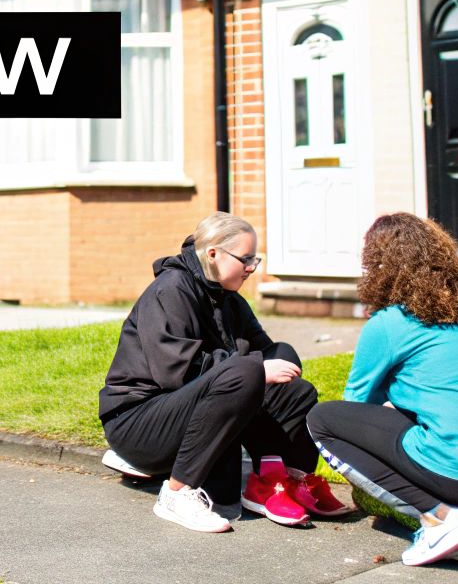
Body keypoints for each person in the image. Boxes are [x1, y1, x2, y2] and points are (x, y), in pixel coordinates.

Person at [307, 213, 458, 567]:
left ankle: (440, 519)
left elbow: (358, 406)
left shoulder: (390, 323)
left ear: (378, 265)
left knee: (325, 419)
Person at [100, 212, 350, 533]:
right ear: (214, 253)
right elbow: (175, 370)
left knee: (295, 392)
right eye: (245, 258)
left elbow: (265, 348)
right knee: (246, 373)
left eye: (254, 259)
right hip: (138, 423)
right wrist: (254, 369)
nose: (251, 267)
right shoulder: (170, 291)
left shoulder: (227, 299)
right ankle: (176, 494)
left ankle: (277, 481)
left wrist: (284, 360)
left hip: (188, 410)